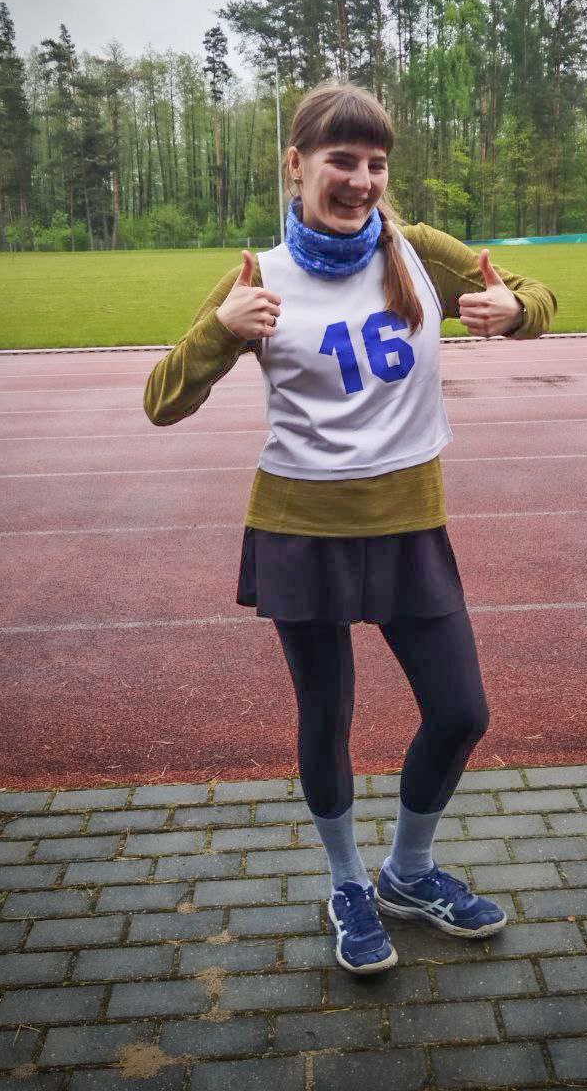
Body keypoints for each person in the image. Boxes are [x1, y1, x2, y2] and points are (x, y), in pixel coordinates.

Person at [144, 82, 557, 975]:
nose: (362, 180)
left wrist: (519, 311)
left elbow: (531, 291)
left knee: (460, 710)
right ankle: (347, 885)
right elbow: (161, 401)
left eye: (376, 164)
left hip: (409, 525)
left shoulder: (419, 253)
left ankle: (408, 873)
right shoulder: (259, 276)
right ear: (296, 165)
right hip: (300, 529)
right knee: (327, 717)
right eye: (343, 161)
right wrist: (220, 331)